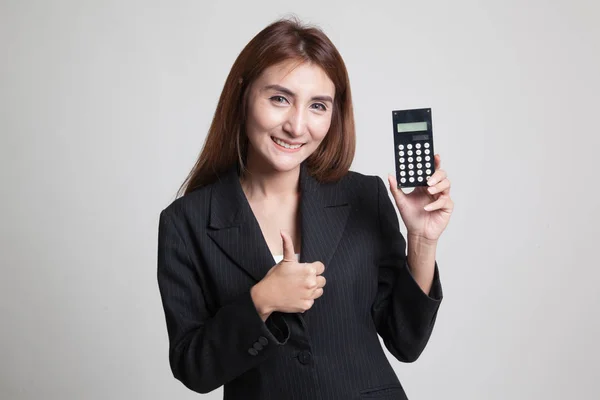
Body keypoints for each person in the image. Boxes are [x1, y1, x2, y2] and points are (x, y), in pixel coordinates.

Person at [157, 17, 454, 400]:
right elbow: (193, 368)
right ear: (243, 95)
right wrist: (261, 301)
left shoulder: (365, 196)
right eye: (279, 98)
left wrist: (422, 241)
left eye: (317, 106)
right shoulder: (187, 223)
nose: (297, 126)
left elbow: (406, 342)